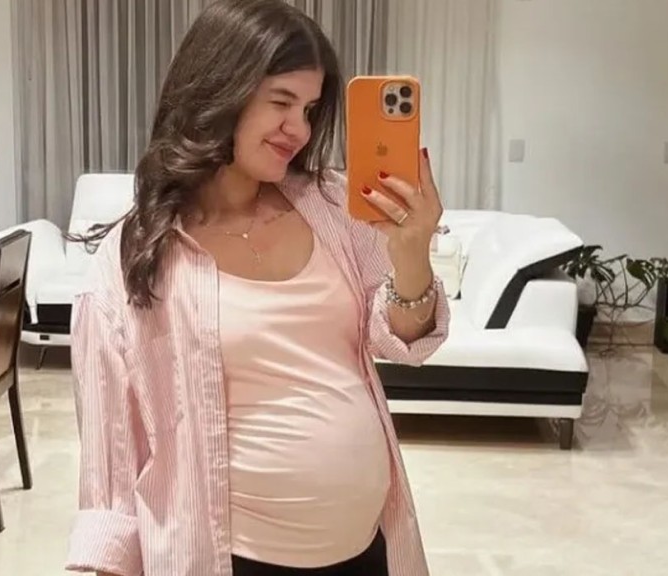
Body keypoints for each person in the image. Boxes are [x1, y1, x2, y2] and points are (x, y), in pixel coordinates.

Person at [65, 1, 450, 575]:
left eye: (310, 109)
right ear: (220, 90)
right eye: (281, 102)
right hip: (230, 558)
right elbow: (112, 469)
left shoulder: (332, 208)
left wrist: (412, 254)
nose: (301, 130)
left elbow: (404, 342)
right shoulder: (133, 260)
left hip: (369, 548)